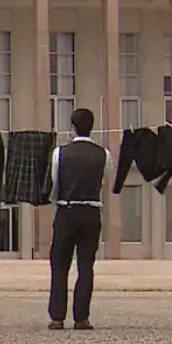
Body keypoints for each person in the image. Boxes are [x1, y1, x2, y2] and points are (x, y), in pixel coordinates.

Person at [47, 108, 114, 330]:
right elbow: (107, 177)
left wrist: (58, 201)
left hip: (67, 210)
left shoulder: (60, 152)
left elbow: (55, 184)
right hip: (91, 212)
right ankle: (81, 318)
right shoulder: (103, 154)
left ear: (72, 127)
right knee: (86, 266)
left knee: (59, 264)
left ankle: (57, 317)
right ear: (92, 127)